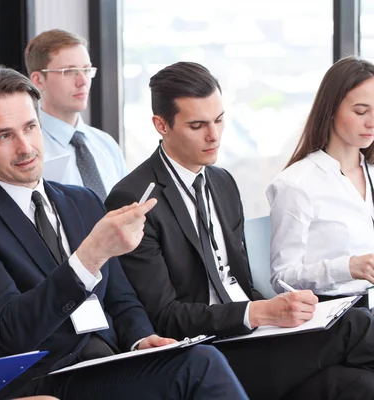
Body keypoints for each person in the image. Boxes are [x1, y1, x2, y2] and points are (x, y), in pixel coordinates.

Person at [0, 67, 248, 399]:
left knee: (197, 360)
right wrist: (88, 257)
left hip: (107, 363)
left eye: (30, 127)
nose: (26, 147)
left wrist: (142, 339)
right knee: (199, 365)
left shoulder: (80, 200)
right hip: (45, 378)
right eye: (4, 136)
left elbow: (121, 299)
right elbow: (14, 329)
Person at [105, 61, 374, 400]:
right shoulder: (135, 198)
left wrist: (272, 312)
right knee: (356, 326)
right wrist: (259, 312)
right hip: (210, 348)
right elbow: (165, 316)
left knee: (358, 386)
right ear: (162, 125)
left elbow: (238, 282)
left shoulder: (222, 182)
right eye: (197, 125)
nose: (214, 136)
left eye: (219, 120)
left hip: (257, 335)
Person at [267, 57, 374, 302]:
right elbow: (282, 279)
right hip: (338, 315)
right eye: (360, 111)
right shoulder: (296, 184)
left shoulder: (370, 171)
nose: (371, 122)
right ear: (331, 109)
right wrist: (346, 267)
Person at [25, 29, 126, 199]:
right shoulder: (27, 150)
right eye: (69, 72)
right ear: (38, 80)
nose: (83, 81)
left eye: (86, 70)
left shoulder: (106, 144)